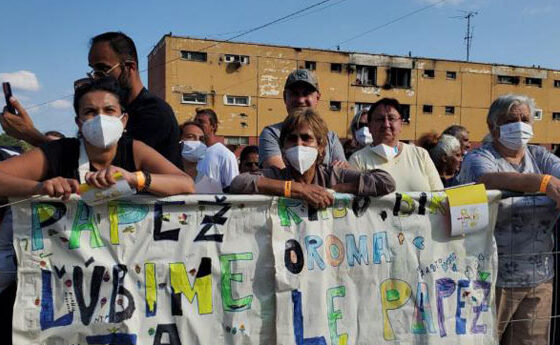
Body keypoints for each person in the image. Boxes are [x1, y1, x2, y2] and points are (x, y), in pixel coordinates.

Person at [456, 94, 560, 345]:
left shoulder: (539, 157)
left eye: (525, 118)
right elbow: (486, 179)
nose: (520, 124)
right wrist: (542, 182)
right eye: (511, 120)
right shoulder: (480, 157)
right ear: (493, 126)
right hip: (488, 279)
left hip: (539, 277)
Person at [0, 32, 182, 167]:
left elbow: (105, 164)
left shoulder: (154, 114)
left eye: (102, 70)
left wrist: (31, 135)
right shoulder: (113, 108)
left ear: (129, 67)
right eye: (93, 71)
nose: (97, 78)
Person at [0, 77, 194, 200]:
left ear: (123, 120)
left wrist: (134, 178)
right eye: (90, 111)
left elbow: (185, 184)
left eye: (109, 110)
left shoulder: (134, 149)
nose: (101, 118)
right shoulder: (60, 152)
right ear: (79, 122)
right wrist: (40, 187)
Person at [230, 108, 395, 208]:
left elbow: (385, 182)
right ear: (283, 147)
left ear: (321, 146)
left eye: (306, 138)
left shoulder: (333, 175)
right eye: (292, 139)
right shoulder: (276, 175)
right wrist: (299, 189)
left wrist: (337, 190)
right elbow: (239, 183)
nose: (299, 145)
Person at [259, 69, 347, 169]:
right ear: (284, 97)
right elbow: (279, 177)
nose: (300, 100)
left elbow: (344, 173)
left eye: (306, 94)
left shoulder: (330, 137)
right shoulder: (271, 134)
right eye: (294, 94)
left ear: (317, 98)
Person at [349, 98, 443, 191]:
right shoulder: (357, 160)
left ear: (401, 124)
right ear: (370, 126)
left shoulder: (420, 155)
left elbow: (440, 196)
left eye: (391, 118)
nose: (386, 124)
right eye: (379, 119)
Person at [194, 108, 239, 190]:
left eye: (201, 122)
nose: (196, 124)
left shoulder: (226, 155)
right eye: (195, 121)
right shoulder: (190, 153)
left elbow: (232, 188)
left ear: (213, 126)